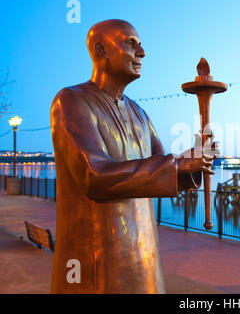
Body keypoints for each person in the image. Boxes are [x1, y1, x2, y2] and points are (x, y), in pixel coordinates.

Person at [50, 19, 217, 293]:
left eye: (140, 45)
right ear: (102, 50)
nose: (142, 52)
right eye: (131, 44)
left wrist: (194, 162)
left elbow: (162, 167)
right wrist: (176, 166)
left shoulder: (139, 113)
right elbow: (95, 177)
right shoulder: (71, 101)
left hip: (144, 255)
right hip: (97, 262)